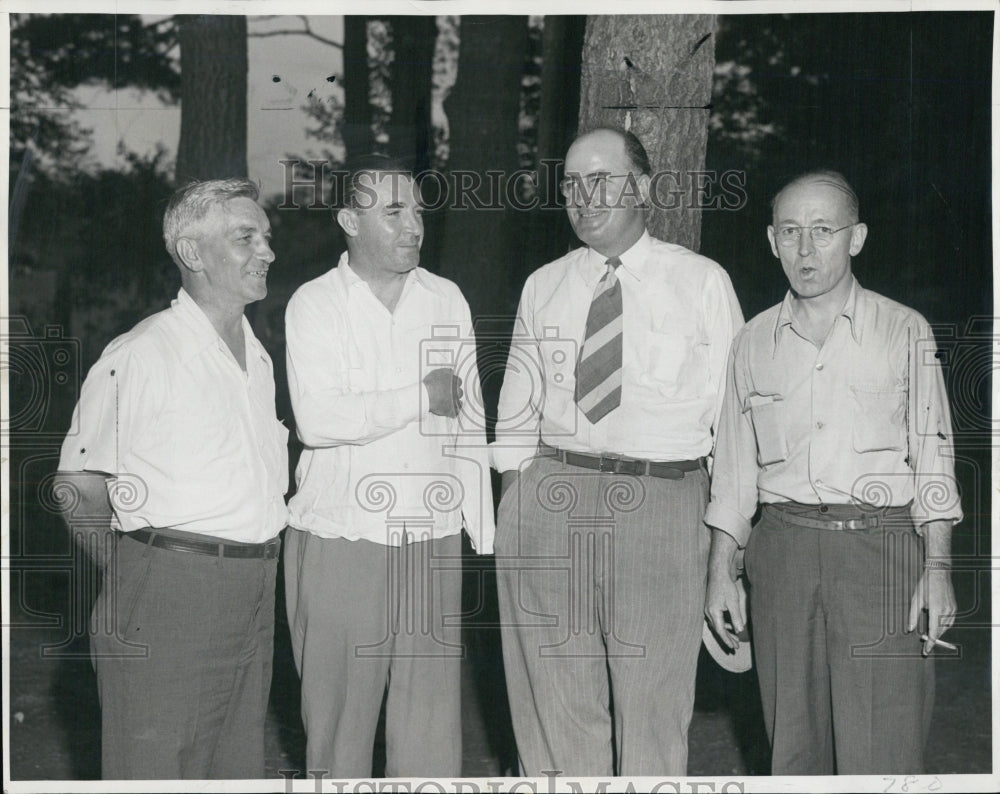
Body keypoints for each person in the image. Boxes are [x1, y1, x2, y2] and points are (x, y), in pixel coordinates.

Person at [491, 128, 743, 776]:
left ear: (644, 187)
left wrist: (728, 549)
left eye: (600, 178)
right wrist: (520, 498)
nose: (583, 196)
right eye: (572, 183)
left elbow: (738, 423)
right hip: (551, 497)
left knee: (653, 710)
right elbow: (516, 409)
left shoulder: (702, 282)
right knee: (554, 710)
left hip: (661, 505)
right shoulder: (544, 284)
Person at [704, 170, 961, 774]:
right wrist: (721, 573)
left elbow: (934, 456)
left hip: (879, 552)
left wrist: (939, 569)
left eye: (823, 231)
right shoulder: (751, 342)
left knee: (884, 741)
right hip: (784, 551)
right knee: (791, 742)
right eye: (790, 231)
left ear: (857, 237)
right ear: (771, 240)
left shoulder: (904, 329)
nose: (805, 248)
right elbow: (735, 473)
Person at [53, 179, 289, 779]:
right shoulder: (141, 353)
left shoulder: (257, 358)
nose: (266, 251)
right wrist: (141, 572)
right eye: (245, 237)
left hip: (255, 591)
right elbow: (77, 486)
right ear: (191, 254)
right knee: (155, 771)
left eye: (265, 236)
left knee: (236, 771)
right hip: (169, 594)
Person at [283, 155, 494, 777]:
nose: (414, 227)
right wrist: (419, 397)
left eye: (419, 212)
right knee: (338, 729)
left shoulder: (445, 298)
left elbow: (469, 417)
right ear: (349, 219)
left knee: (430, 731)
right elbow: (319, 420)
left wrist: (478, 524)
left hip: (430, 540)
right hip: (343, 537)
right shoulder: (314, 303)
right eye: (393, 211)